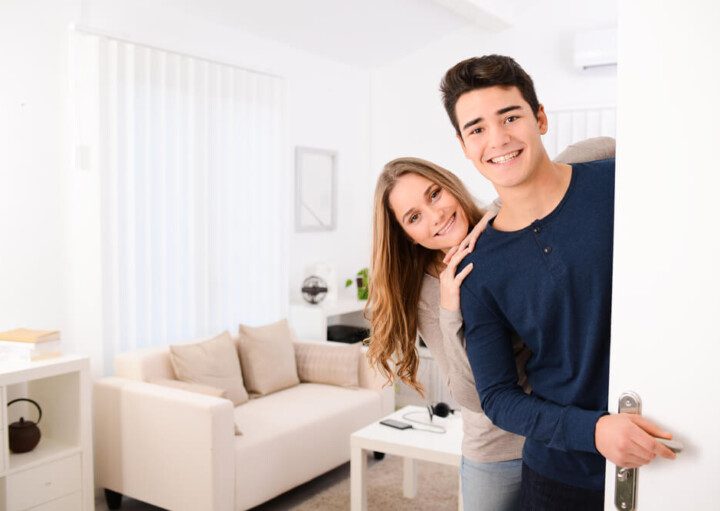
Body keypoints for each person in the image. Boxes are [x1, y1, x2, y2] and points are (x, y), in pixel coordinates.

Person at [440, 54, 676, 509]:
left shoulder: (620, 186)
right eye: (477, 129)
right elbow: (498, 398)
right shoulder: (478, 266)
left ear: (541, 118)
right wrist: (594, 430)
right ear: (464, 146)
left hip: (670, 447)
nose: (498, 139)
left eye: (510, 117)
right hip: (559, 476)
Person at [367, 137, 615, 510]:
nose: (435, 216)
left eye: (434, 195)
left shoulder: (507, 222)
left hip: (557, 439)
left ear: (450, 183)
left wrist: (513, 200)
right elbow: (470, 397)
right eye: (414, 217)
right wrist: (452, 307)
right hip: (495, 451)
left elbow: (601, 148)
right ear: (407, 236)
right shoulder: (428, 293)